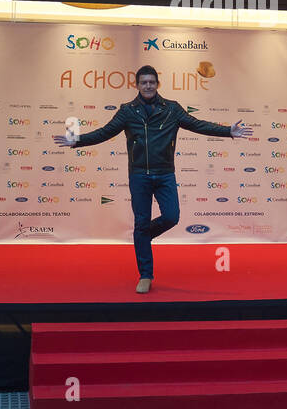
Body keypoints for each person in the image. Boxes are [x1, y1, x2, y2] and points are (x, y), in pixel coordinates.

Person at [53, 65, 253, 293]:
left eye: (151, 82)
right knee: (141, 221)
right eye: (143, 82)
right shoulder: (127, 111)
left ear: (157, 84)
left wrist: (228, 131)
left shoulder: (172, 109)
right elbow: (105, 132)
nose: (147, 86)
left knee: (171, 216)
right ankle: (145, 275)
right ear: (137, 85)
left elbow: (198, 125)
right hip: (139, 176)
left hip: (165, 173)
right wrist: (77, 141)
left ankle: (142, 235)